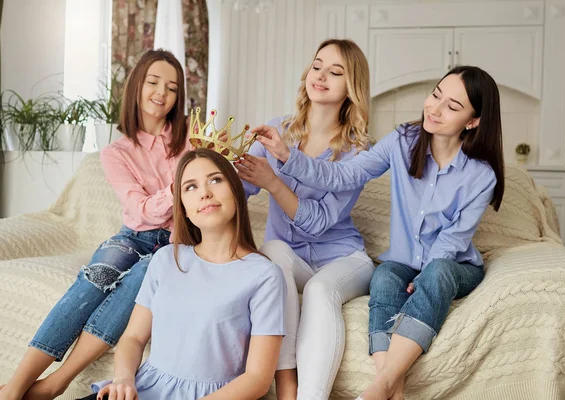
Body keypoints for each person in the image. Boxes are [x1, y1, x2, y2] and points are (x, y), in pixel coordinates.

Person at [247, 65, 505, 400]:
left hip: (453, 265)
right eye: (436, 95)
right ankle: (390, 389)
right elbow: (344, 175)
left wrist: (424, 279)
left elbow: (453, 240)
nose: (435, 108)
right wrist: (286, 156)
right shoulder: (402, 141)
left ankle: (380, 385)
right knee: (383, 278)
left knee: (438, 272)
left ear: (472, 122)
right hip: (401, 263)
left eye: (452, 107)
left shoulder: (481, 175)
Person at [0, 49, 188, 400]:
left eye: (173, 87)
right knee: (97, 276)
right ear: (136, 86)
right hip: (133, 236)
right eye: (153, 82)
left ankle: (58, 382)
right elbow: (140, 209)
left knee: (141, 279)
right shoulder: (116, 152)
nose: (162, 92)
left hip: (177, 242)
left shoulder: (191, 140)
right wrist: (178, 188)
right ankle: (15, 386)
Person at [78, 148, 286, 400]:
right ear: (184, 209)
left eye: (216, 180)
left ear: (236, 190)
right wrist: (123, 380)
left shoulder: (264, 275)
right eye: (190, 187)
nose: (205, 193)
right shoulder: (166, 259)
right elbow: (133, 337)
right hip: (142, 390)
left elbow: (258, 379)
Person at [234, 39, 375, 400]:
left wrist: (273, 182)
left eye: (336, 71)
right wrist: (220, 162)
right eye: (317, 66)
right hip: (291, 256)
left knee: (319, 290)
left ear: (351, 87)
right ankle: (286, 387)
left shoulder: (357, 152)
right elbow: (241, 191)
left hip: (343, 258)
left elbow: (317, 222)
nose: (322, 75)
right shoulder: (276, 129)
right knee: (273, 253)